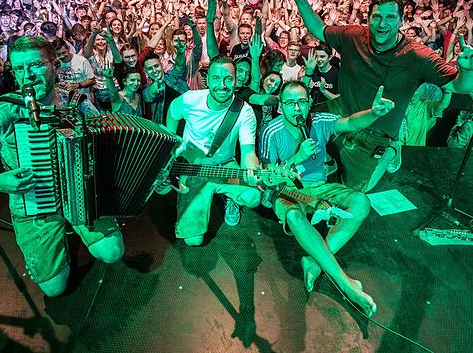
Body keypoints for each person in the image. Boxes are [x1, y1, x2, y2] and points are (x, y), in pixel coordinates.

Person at [0, 36, 124, 297]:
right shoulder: (4, 111)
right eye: (19, 68)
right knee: (54, 289)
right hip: (35, 204)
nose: (27, 75)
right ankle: (54, 242)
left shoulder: (74, 99)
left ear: (54, 64)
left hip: (80, 195)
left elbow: (105, 133)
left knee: (112, 253)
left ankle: (71, 227)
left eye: (35, 65)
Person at [290, 0, 473, 192]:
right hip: (341, 111)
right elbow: (319, 29)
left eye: (390, 18)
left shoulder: (418, 56)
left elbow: (461, 86)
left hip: (376, 131)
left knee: (355, 191)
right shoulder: (353, 36)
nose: (382, 24)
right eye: (377, 17)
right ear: (369, 18)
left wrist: (468, 70)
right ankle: (328, 155)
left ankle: (391, 150)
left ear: (401, 20)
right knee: (299, 121)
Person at [259, 80, 393, 317]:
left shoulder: (318, 121)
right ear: (280, 106)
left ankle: (314, 261)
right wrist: (296, 157)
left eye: (301, 102)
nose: (297, 109)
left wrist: (373, 113)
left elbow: (350, 122)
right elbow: (268, 179)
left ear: (309, 103)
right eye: (290, 103)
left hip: (320, 186)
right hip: (288, 189)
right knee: (293, 216)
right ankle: (345, 283)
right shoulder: (270, 131)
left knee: (361, 202)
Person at [164, 55, 262, 244]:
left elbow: (249, 153)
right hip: (192, 168)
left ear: (236, 80)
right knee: (193, 241)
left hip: (224, 165)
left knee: (253, 196)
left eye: (228, 79)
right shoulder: (190, 100)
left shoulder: (244, 111)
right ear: (207, 79)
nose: (222, 85)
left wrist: (252, 168)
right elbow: (172, 112)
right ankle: (208, 193)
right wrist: (172, 141)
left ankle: (229, 198)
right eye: (216, 78)